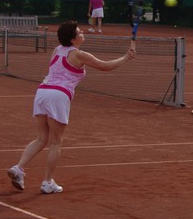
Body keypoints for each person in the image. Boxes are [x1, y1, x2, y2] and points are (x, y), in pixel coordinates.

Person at [7, 21, 136, 194]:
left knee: (41, 138)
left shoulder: (56, 50)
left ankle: (18, 168)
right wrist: (126, 58)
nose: (83, 33)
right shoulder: (79, 55)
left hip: (42, 92)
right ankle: (47, 182)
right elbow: (105, 66)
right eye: (79, 32)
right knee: (56, 142)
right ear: (73, 39)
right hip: (58, 95)